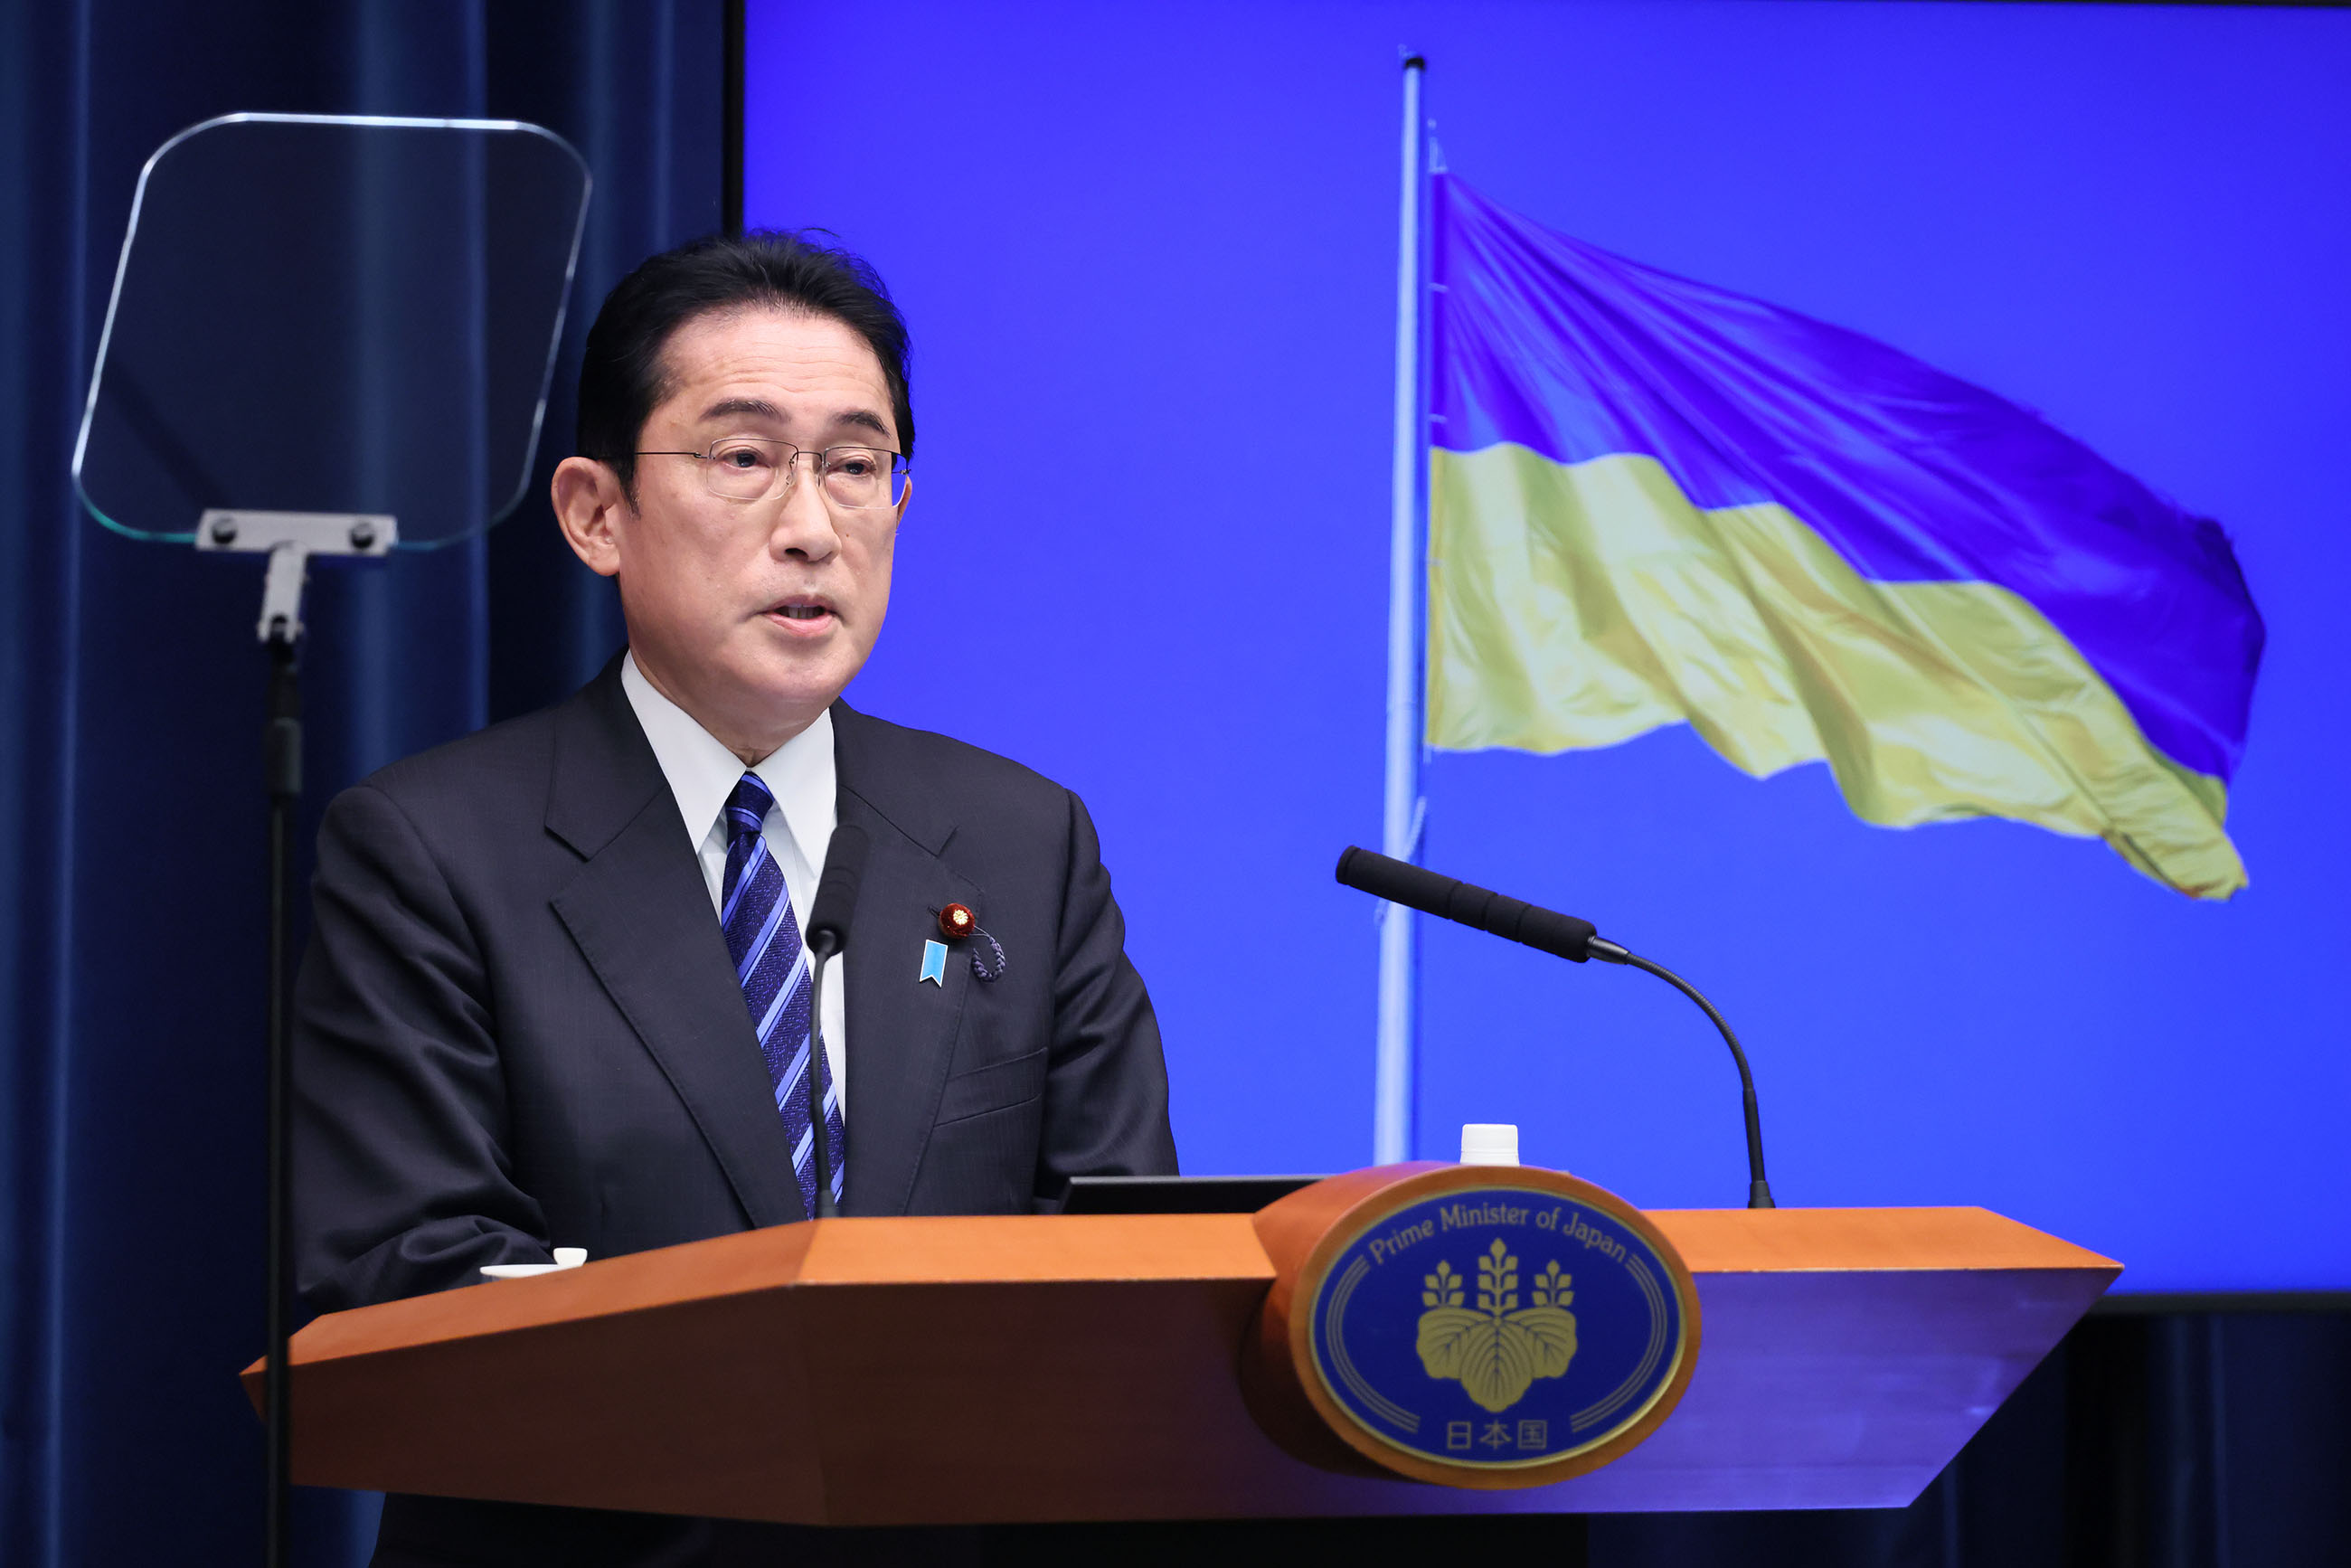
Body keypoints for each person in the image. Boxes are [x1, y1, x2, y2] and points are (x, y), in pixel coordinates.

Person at [293, 231, 1178, 1566]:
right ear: (597, 514)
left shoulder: (1020, 841)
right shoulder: (429, 850)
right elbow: (406, 1275)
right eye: (744, 458)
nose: (812, 526)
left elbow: (1116, 1248)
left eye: (856, 466)